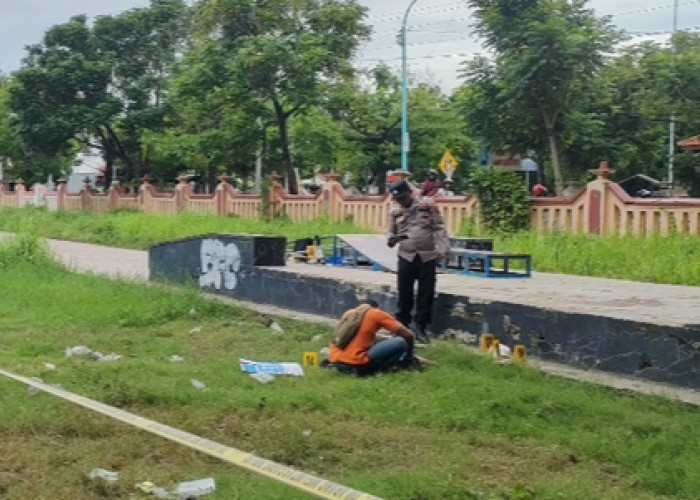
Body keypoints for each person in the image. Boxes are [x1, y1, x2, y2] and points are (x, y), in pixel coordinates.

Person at [387, 180, 450, 343]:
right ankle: (402, 326)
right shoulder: (395, 212)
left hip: (426, 256)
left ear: (410, 193)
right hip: (406, 256)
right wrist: (392, 240)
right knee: (404, 293)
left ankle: (421, 327)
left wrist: (443, 248)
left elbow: (439, 227)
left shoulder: (427, 205)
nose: (401, 201)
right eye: (398, 199)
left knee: (426, 294)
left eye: (403, 197)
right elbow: (390, 233)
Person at [328, 300, 416, 376]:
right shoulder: (375, 313)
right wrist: (409, 356)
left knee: (378, 342)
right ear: (376, 308)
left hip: (335, 363)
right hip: (357, 366)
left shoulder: (349, 314)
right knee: (400, 341)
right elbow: (408, 335)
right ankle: (403, 363)